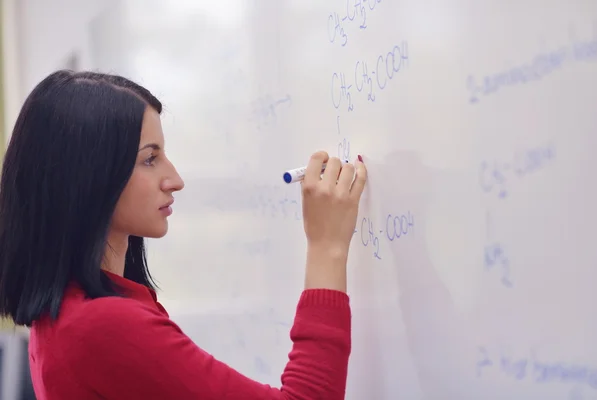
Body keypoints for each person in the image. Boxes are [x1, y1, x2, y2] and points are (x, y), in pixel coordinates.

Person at [0, 70, 367, 400]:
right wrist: (327, 246)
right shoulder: (102, 327)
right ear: (88, 180)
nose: (175, 180)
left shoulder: (63, 314)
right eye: (149, 159)